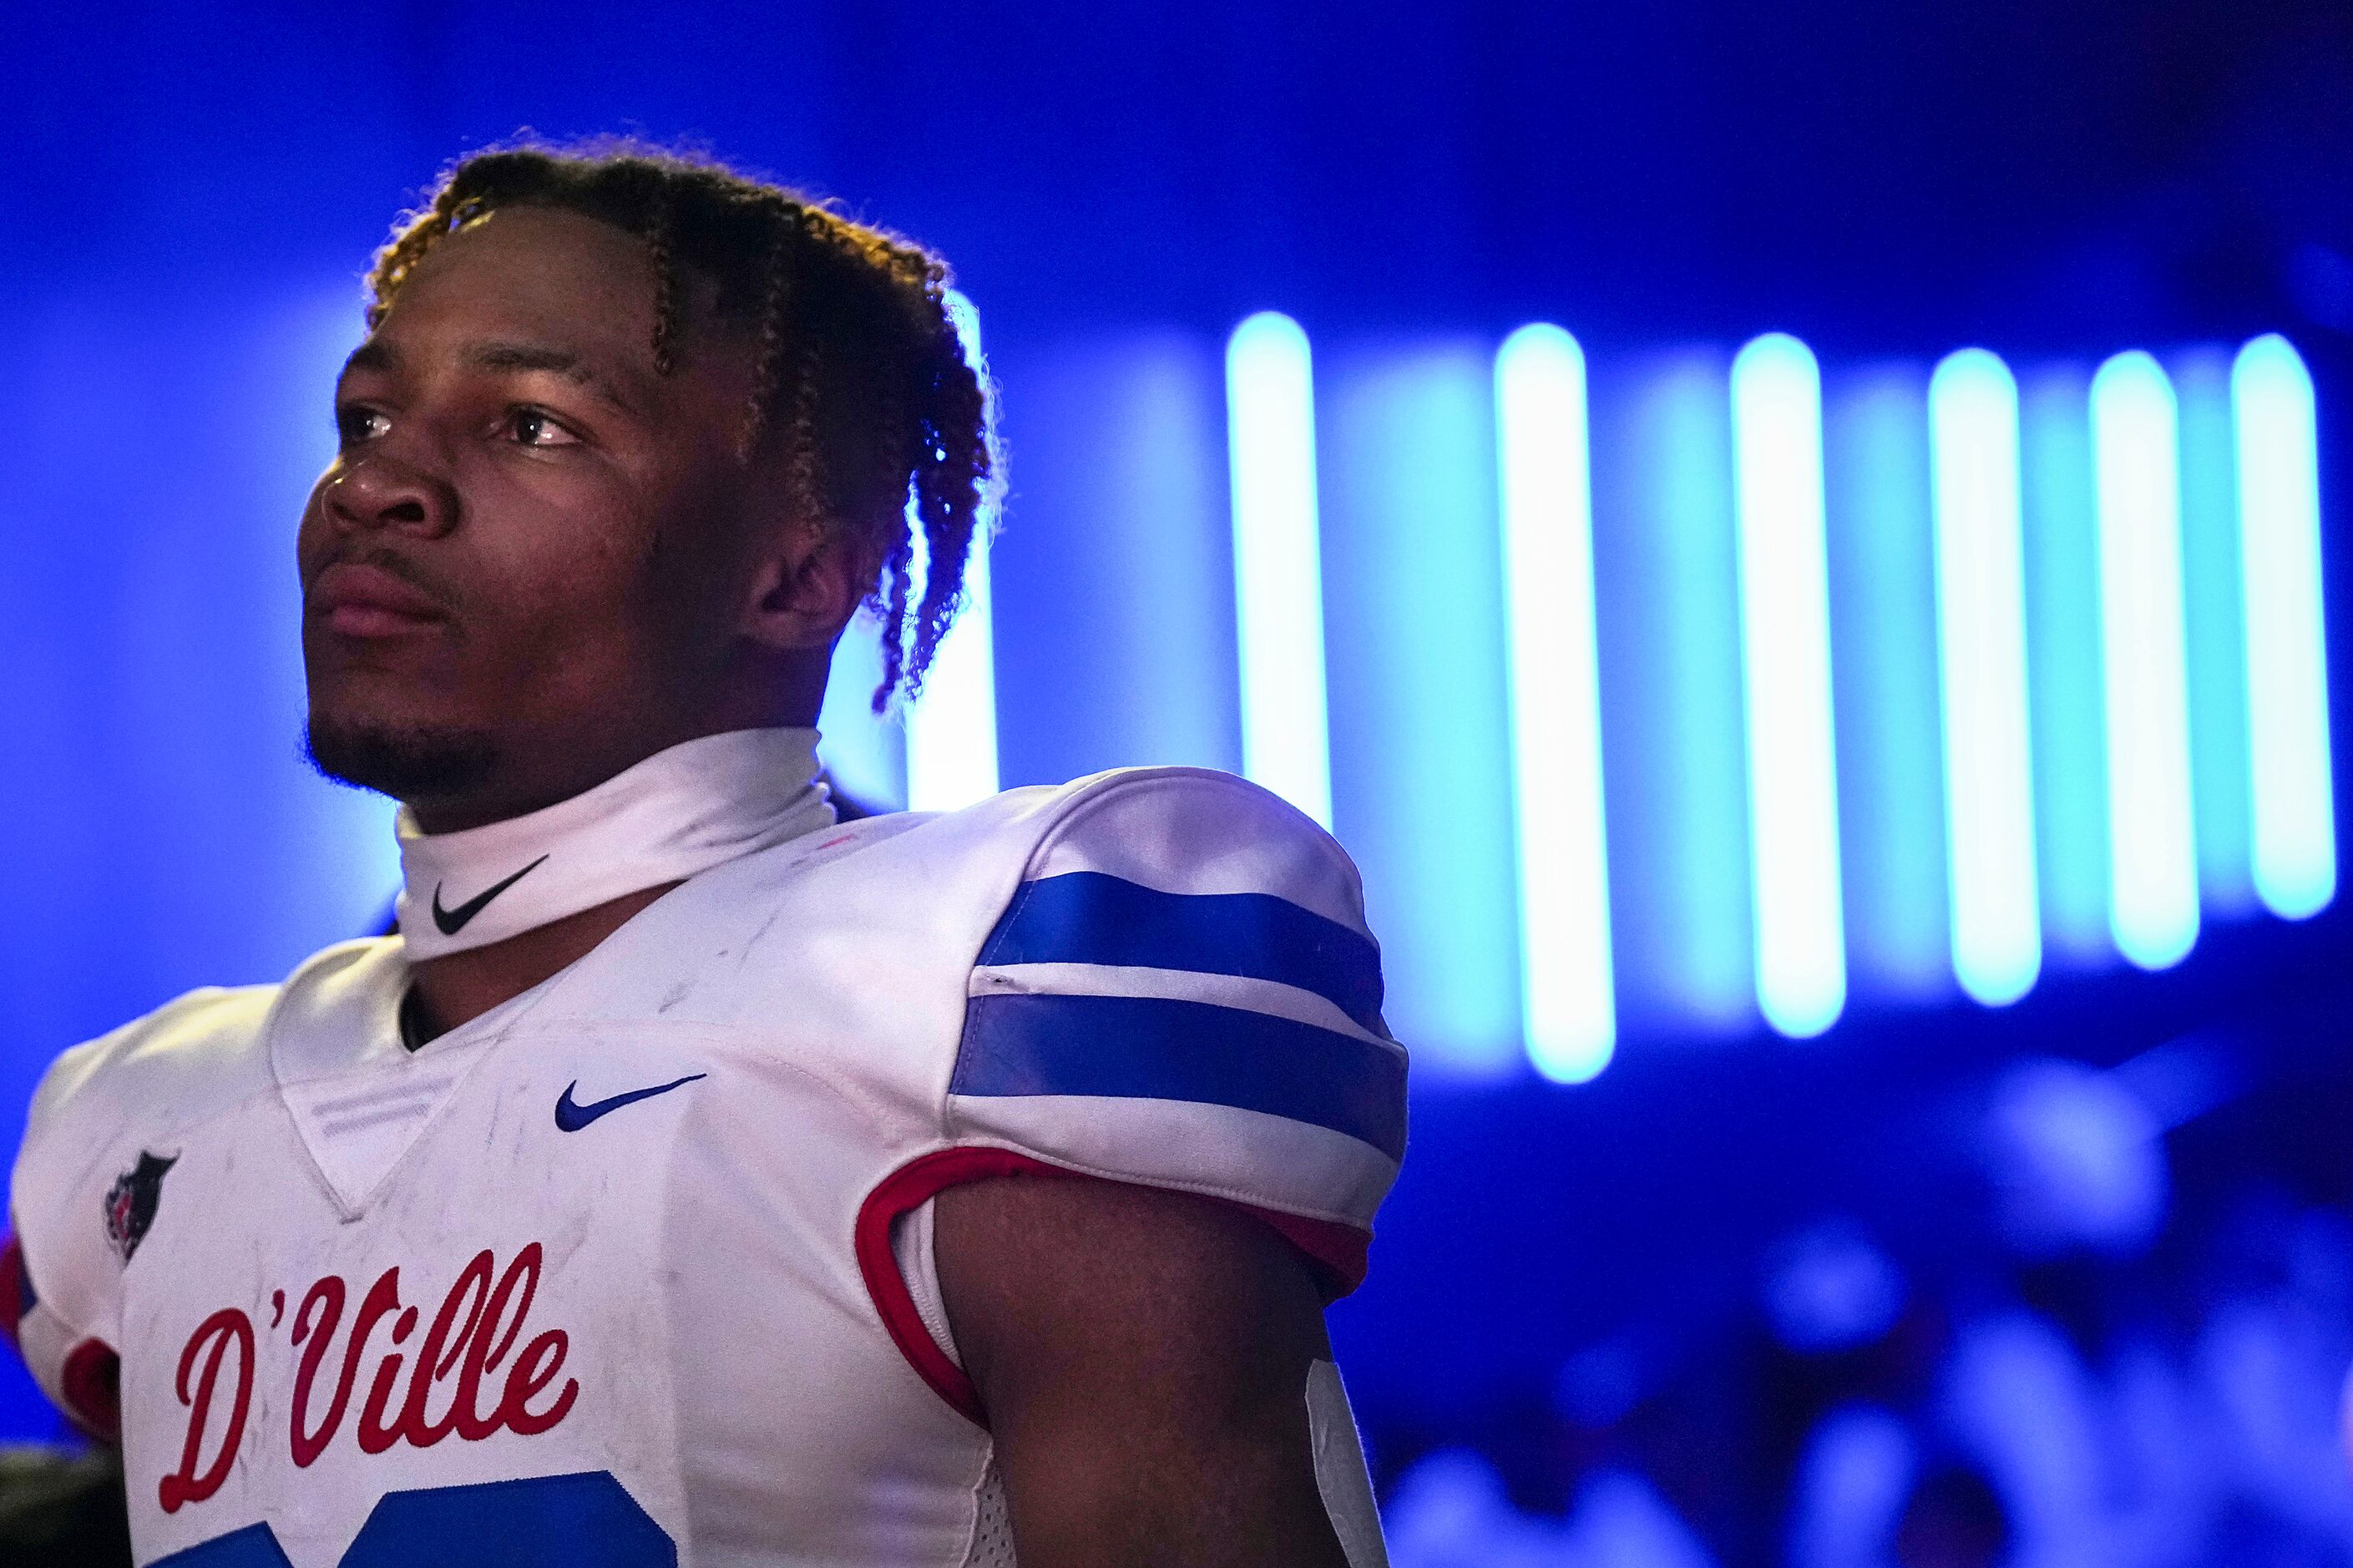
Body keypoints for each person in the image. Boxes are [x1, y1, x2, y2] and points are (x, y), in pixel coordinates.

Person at [3, 142, 1405, 1568]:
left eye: (534, 424)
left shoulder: (968, 986)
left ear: (795, 573)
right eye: (367, 418)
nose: (379, 486)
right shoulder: (145, 1122)